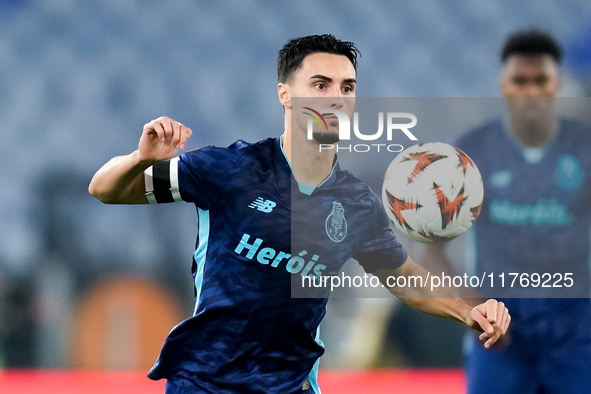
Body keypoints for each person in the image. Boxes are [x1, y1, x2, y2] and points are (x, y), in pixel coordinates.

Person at [89, 34, 510, 394]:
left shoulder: (357, 204)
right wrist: (140, 158)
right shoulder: (232, 170)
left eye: (347, 88)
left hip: (290, 384)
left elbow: (405, 279)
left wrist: (467, 311)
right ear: (285, 93)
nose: (336, 99)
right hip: (204, 381)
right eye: (321, 84)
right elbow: (105, 189)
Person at [422, 29, 591, 393]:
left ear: (556, 84)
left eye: (540, 80)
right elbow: (432, 254)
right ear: (503, 84)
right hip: (501, 340)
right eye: (520, 80)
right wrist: (475, 313)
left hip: (576, 337)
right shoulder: (473, 152)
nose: (530, 91)